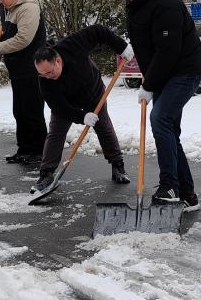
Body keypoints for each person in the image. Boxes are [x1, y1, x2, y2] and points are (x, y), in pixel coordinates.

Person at [114, 0, 201, 210]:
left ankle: (169, 186)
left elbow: (167, 51)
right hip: (164, 72)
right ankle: (188, 194)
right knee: (169, 131)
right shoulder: (136, 3)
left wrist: (149, 84)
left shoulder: (166, 4)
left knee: (160, 118)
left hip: (184, 70)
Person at [31, 25, 135, 194]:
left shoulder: (73, 45)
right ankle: (46, 174)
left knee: (103, 126)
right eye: (43, 75)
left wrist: (121, 46)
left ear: (57, 61)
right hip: (67, 102)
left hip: (92, 92)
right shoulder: (45, 81)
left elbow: (99, 31)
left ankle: (118, 167)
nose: (47, 77)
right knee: (56, 132)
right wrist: (81, 117)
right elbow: (59, 108)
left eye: (49, 72)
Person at [0, 0, 47, 167]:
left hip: (31, 69)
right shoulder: (13, 10)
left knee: (32, 111)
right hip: (19, 71)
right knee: (20, 111)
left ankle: (39, 151)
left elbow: (24, 39)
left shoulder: (28, 8)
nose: (0, 1)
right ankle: (24, 149)